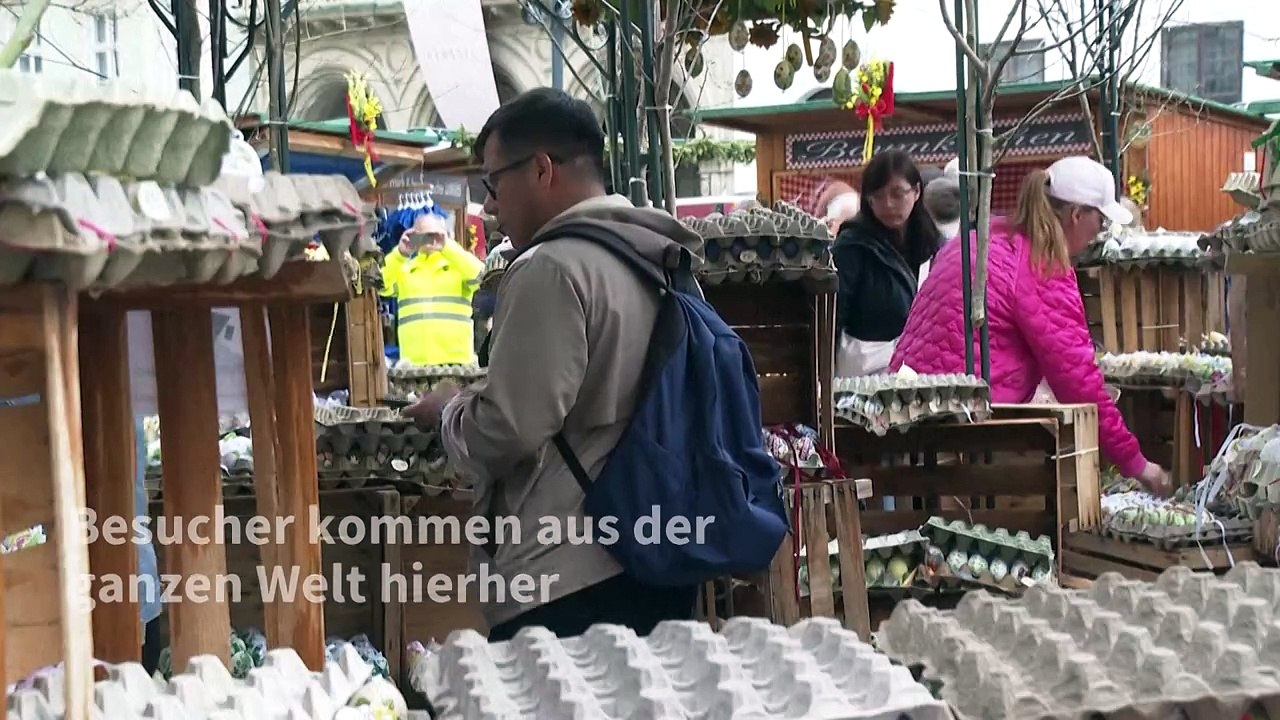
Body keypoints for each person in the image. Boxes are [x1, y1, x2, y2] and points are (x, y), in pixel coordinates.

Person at [403, 88, 704, 641]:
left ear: (541, 170)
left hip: (569, 570)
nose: (489, 205)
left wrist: (449, 410)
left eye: (493, 184)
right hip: (662, 546)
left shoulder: (552, 267)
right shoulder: (656, 253)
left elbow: (509, 426)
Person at [890, 156, 1171, 495]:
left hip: (910, 411)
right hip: (963, 432)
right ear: (1077, 215)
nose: (1099, 232)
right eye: (1100, 221)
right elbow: (1078, 380)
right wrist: (1138, 464)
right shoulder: (1042, 262)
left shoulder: (984, 237)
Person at [833, 150, 942, 377]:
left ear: (917, 191)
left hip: (920, 369)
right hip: (864, 373)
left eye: (897, 194)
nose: (888, 204)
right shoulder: (852, 245)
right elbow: (835, 313)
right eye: (878, 196)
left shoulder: (933, 243)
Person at [379, 212, 485, 366]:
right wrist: (400, 254)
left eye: (434, 234)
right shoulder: (405, 270)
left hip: (456, 364)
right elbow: (380, 284)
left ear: (445, 235)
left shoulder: (458, 267)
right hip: (414, 366)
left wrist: (447, 246)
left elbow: (480, 275)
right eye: (422, 235)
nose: (430, 240)